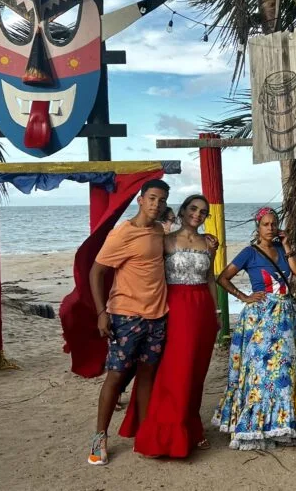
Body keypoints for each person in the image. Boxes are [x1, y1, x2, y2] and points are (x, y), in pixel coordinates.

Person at [119, 194, 219, 457]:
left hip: (203, 311)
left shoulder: (209, 244)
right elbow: (146, 273)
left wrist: (216, 312)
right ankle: (162, 432)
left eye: (203, 212)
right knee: (173, 370)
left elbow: (210, 278)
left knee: (196, 372)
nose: (197, 214)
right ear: (183, 210)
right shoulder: (165, 241)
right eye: (193, 209)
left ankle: (192, 428)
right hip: (173, 309)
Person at [87, 179, 170, 466]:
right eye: (152, 198)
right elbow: (96, 272)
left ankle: (145, 435)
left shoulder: (160, 230)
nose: (156, 204)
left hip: (157, 316)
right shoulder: (123, 233)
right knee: (116, 376)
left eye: (161, 200)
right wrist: (101, 312)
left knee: (147, 375)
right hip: (126, 315)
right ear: (140, 199)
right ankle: (99, 438)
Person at [212, 207, 296, 450]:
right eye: (266, 224)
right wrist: (244, 297)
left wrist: (287, 245)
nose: (271, 228)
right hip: (261, 318)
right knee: (260, 371)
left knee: (283, 371)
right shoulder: (249, 253)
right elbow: (222, 277)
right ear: (258, 227)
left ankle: (280, 426)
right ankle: (255, 426)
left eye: (274, 223)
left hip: (285, 318)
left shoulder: (282, 250)